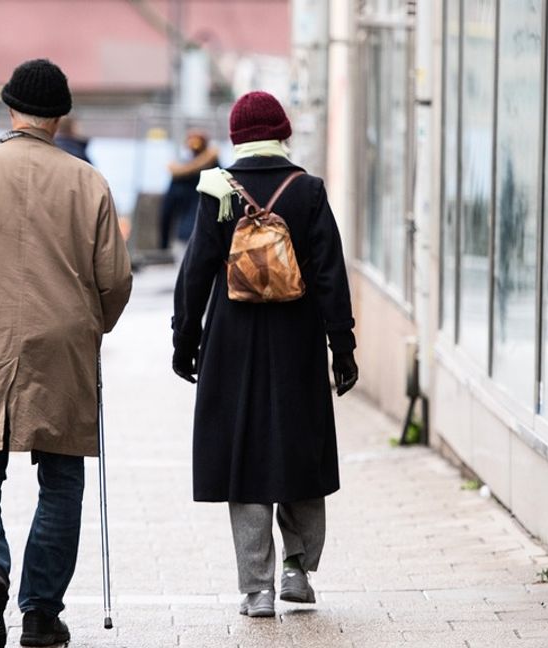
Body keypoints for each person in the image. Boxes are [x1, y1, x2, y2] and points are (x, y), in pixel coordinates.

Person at [0, 59, 132, 648]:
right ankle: (39, 614)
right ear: (60, 116)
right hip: (62, 343)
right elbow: (114, 279)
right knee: (62, 477)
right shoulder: (88, 181)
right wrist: (91, 328)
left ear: (9, 107)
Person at [171, 91, 358, 618]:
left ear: (235, 137)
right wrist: (340, 345)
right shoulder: (308, 191)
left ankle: (257, 588)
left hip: (232, 347)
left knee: (244, 460)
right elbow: (330, 276)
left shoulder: (217, 189)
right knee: (299, 448)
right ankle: (298, 568)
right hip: (296, 342)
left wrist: (185, 341)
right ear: (285, 132)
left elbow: (194, 275)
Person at [160, 129, 219, 250]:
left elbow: (167, 209)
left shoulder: (180, 175)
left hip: (186, 235)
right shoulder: (217, 172)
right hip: (212, 235)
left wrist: (164, 242)